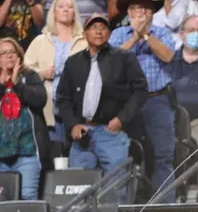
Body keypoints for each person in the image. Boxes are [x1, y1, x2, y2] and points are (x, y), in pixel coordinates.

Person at [55, 13, 146, 176]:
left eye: (103, 28)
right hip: (82, 134)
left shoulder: (124, 58)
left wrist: (122, 118)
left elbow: (140, 90)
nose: (98, 31)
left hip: (110, 132)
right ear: (84, 34)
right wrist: (72, 125)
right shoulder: (73, 62)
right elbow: (63, 97)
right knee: (78, 188)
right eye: (93, 27)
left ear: (109, 34)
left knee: (115, 188)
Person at [109, 0, 178, 197]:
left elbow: (167, 56)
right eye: (135, 8)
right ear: (129, 12)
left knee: (162, 156)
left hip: (157, 100)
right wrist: (134, 38)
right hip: (127, 104)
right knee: (127, 156)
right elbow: (112, 62)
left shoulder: (162, 33)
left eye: (145, 8)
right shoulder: (118, 34)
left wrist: (146, 35)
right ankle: (131, 208)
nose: (140, 13)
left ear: (151, 13)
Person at [0, 38, 50, 198]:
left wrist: (17, 83)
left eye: (12, 52)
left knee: (28, 197)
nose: (9, 56)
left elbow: (40, 100)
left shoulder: (30, 77)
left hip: (27, 152)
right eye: (4, 53)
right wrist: (0, 84)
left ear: (19, 56)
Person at [23, 0, 86, 138]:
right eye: (61, 6)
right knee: (53, 156)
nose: (66, 10)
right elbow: (25, 68)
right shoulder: (41, 40)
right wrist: (41, 73)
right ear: (54, 12)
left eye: (70, 7)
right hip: (49, 109)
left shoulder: (84, 41)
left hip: (77, 109)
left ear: (75, 14)